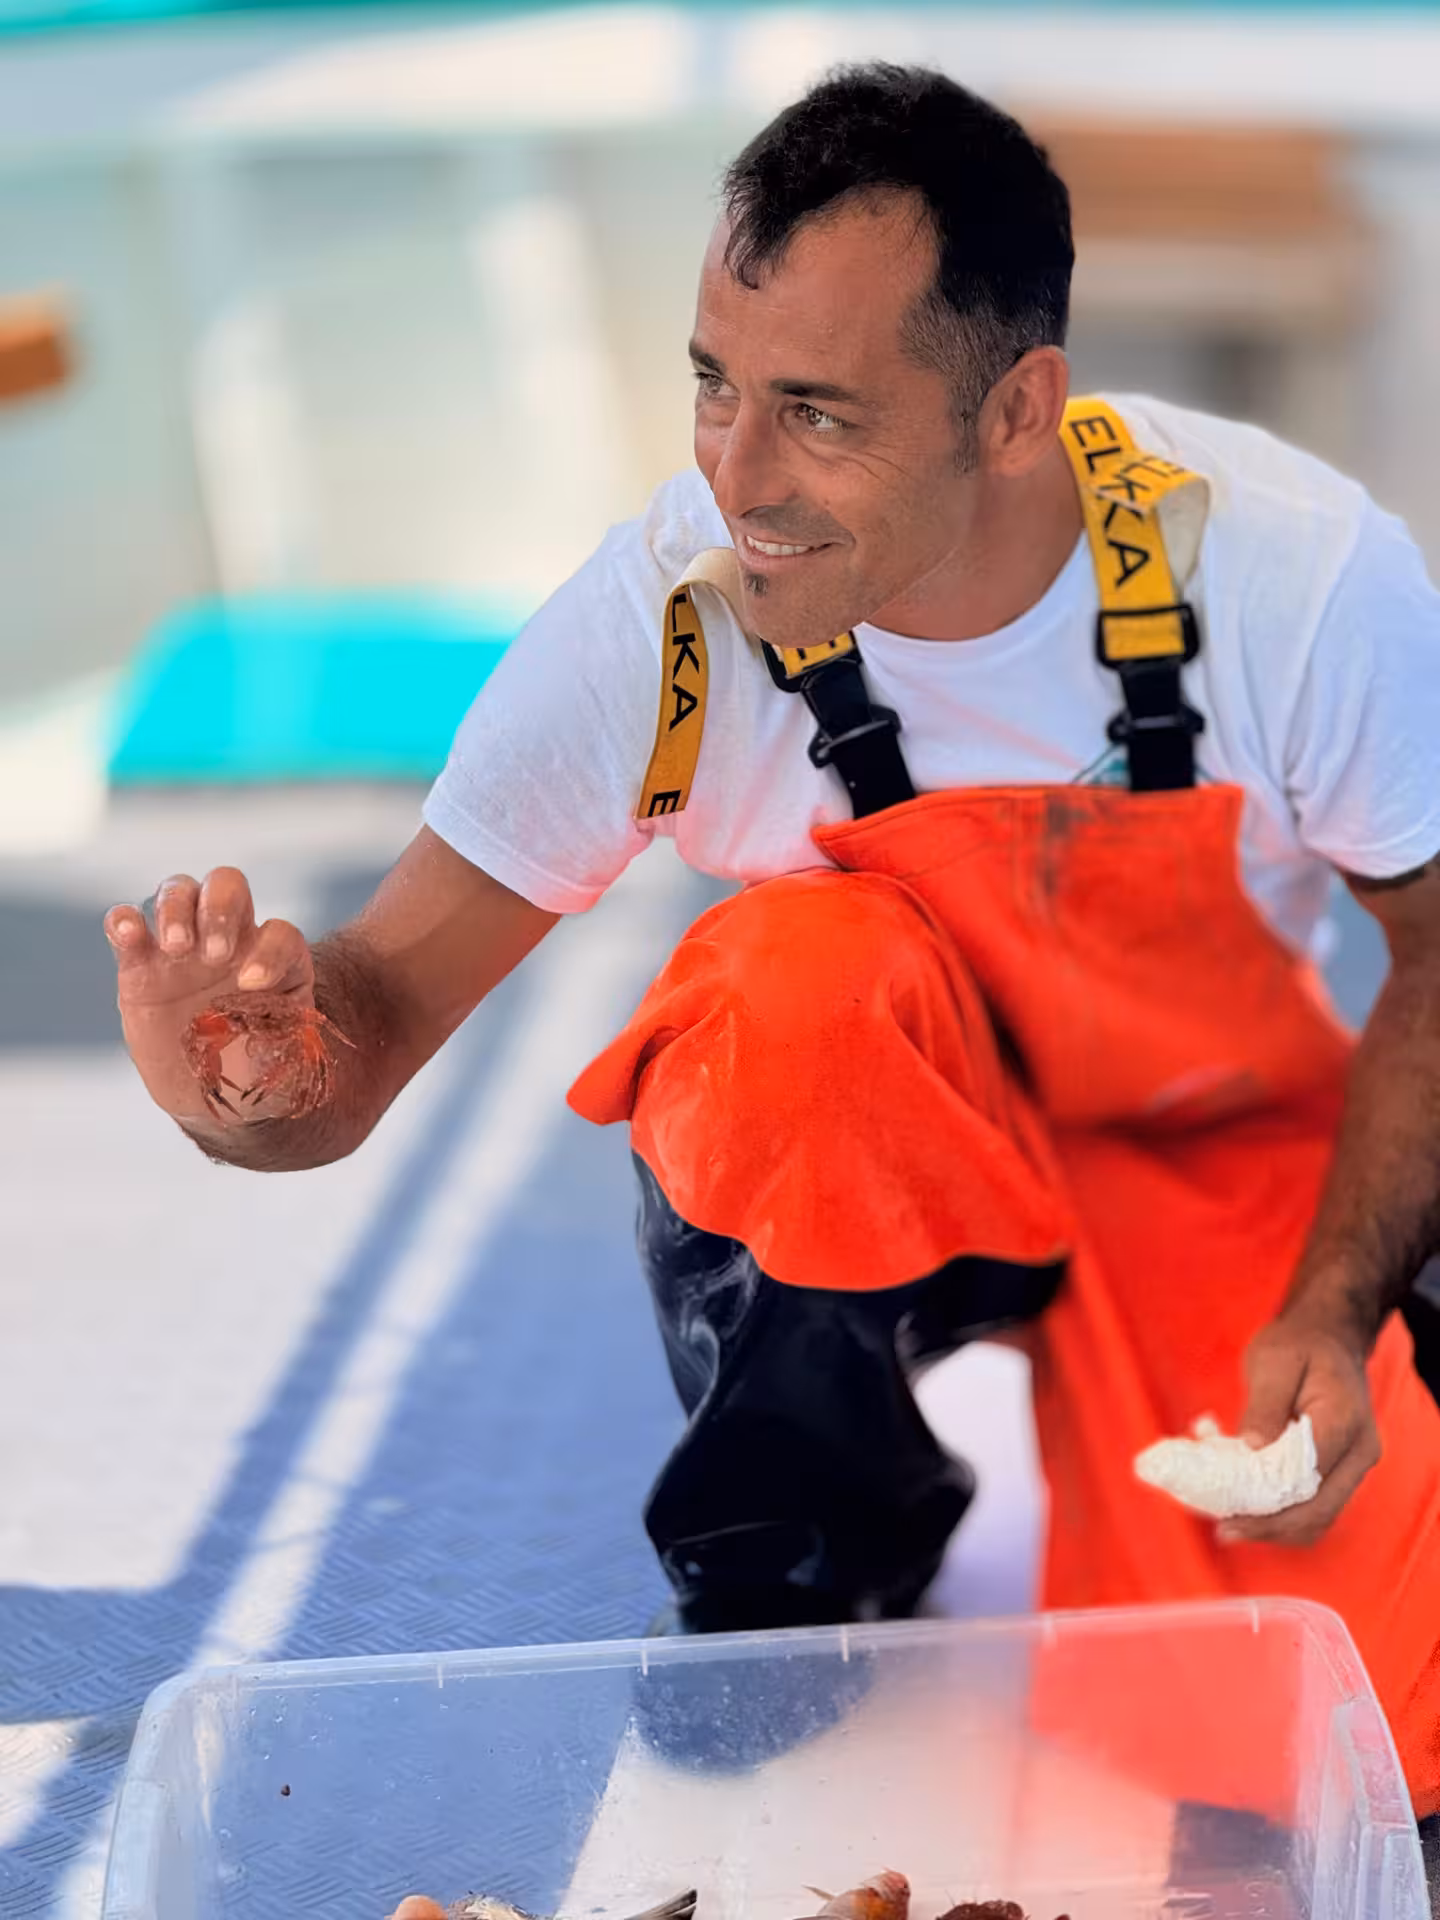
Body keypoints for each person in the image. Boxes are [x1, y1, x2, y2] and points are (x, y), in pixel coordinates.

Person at [108, 64, 1440, 1847]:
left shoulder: (1292, 576)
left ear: (1018, 411)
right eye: (714, 386)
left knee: (1377, 1717)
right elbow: (370, 1023)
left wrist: (1336, 1313)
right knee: (779, 991)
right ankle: (808, 1571)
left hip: (1205, 1159)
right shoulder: (658, 627)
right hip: (871, 1157)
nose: (736, 476)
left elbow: (1434, 947)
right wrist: (251, 1083)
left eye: (817, 413)